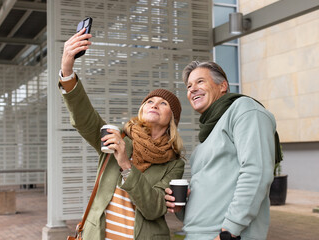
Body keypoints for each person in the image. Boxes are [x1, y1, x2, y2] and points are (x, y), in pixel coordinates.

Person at [59, 28, 185, 239]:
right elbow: (84, 116)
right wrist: (67, 68)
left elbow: (154, 208)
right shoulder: (118, 138)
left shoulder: (174, 163)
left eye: (163, 103)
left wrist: (126, 164)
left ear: (172, 120)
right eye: (149, 101)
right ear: (142, 109)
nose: (154, 104)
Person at [165, 61, 281, 240]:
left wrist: (229, 232)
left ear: (223, 86)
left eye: (200, 82)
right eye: (188, 86)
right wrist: (181, 208)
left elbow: (256, 172)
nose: (192, 89)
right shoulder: (206, 138)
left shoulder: (244, 109)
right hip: (196, 234)